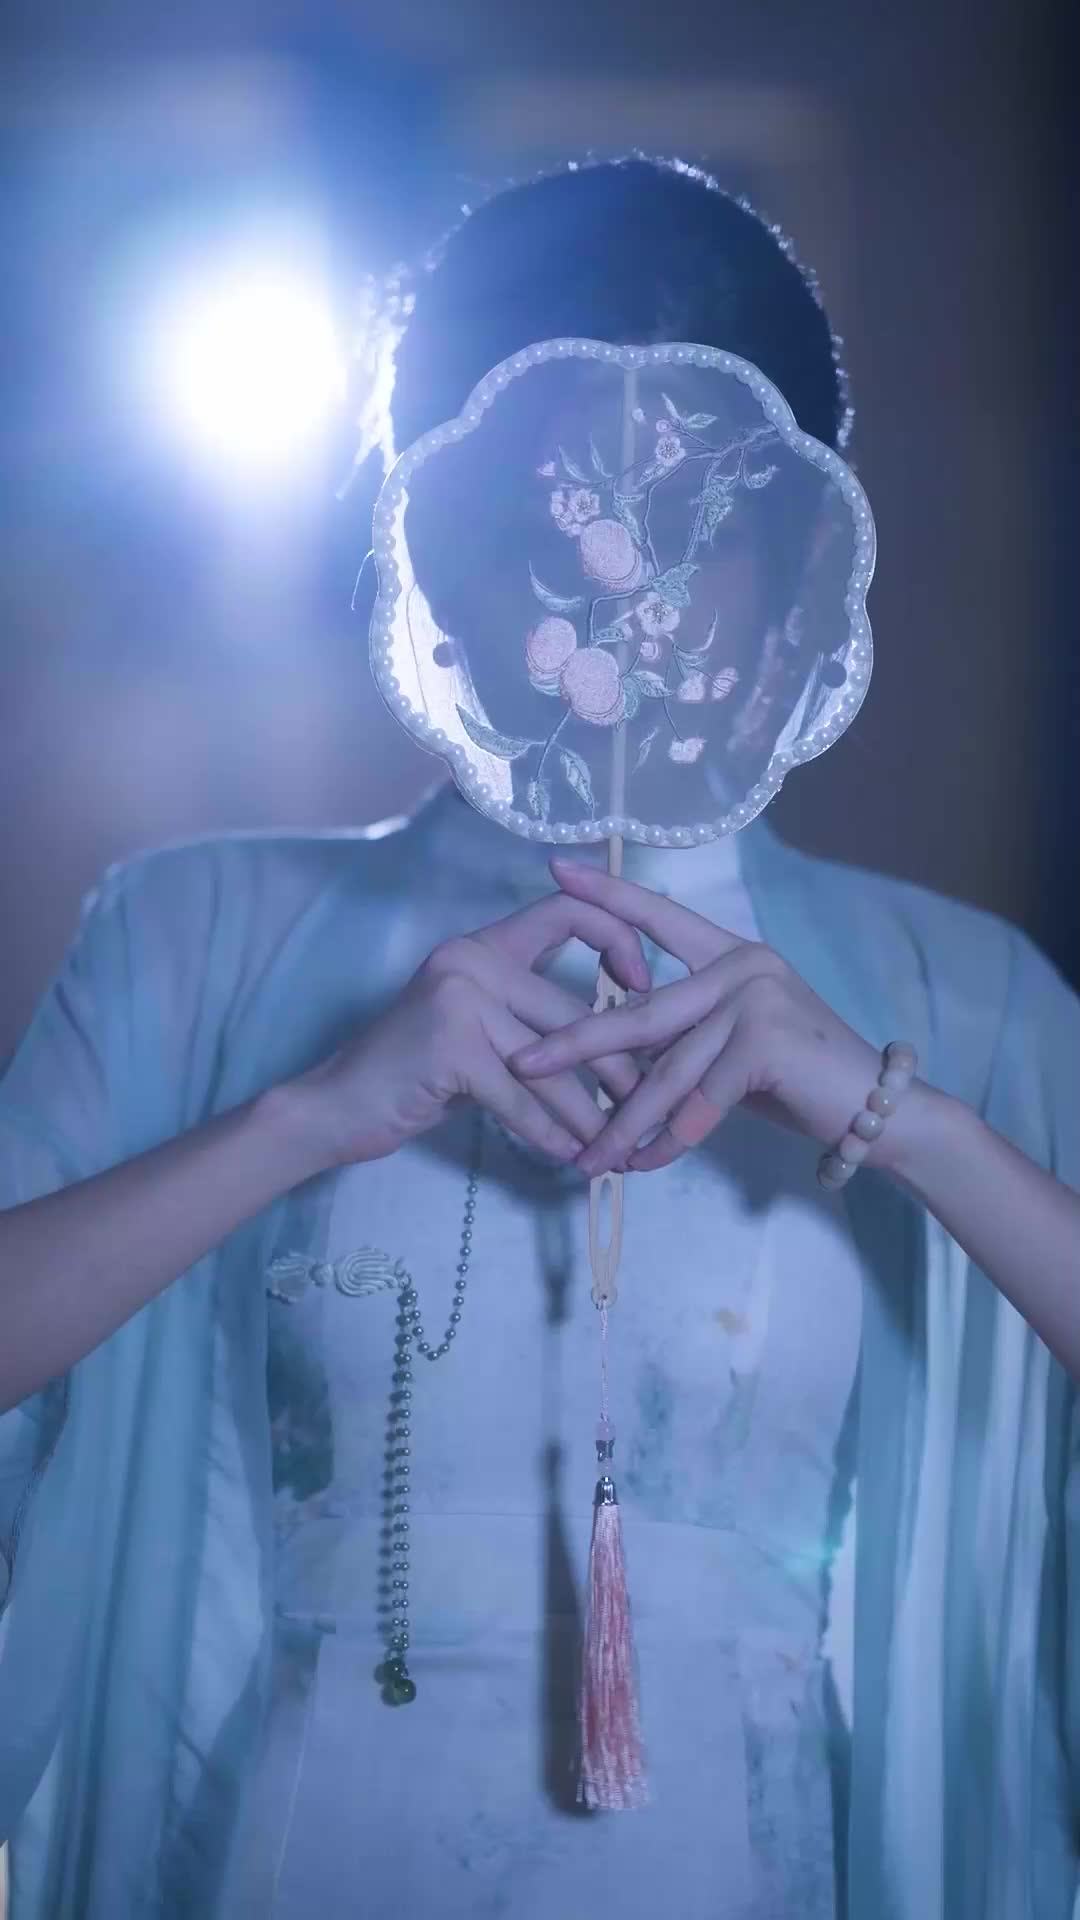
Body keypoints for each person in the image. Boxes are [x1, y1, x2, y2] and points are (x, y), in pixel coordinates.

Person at [0, 158, 1077, 1920]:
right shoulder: (193, 936)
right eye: (544, 516)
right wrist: (306, 1114)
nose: (617, 590)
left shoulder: (966, 1000)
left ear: (805, 554)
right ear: (425, 539)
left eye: (700, 524)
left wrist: (909, 1120)